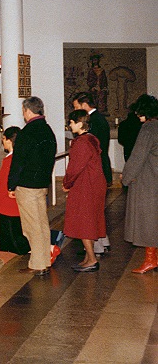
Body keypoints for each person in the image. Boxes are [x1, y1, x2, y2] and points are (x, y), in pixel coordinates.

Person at [8, 96, 57, 276]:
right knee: (42, 223)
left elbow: (18, 162)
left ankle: (37, 264)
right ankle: (45, 259)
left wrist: (11, 185)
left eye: (23, 111)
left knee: (31, 226)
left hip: (27, 184)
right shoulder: (47, 130)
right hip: (42, 183)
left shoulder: (26, 133)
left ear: (28, 111)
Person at [63, 110, 107, 272]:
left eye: (72, 122)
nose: (70, 125)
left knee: (84, 223)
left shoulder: (82, 143)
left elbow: (75, 167)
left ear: (80, 124)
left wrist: (67, 183)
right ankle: (88, 257)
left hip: (85, 186)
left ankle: (92, 259)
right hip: (93, 184)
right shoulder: (91, 139)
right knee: (88, 220)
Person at [121, 94, 158, 274]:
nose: (137, 115)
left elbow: (137, 157)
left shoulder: (148, 129)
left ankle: (151, 260)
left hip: (148, 182)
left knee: (148, 221)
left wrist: (126, 177)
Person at [73, 91, 112, 255]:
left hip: (93, 172)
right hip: (100, 169)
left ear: (84, 105)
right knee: (97, 209)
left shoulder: (92, 122)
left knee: (90, 210)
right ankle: (102, 241)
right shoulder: (100, 119)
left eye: (76, 108)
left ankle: (95, 246)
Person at [0, 126, 30, 255]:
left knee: (13, 243)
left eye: (3, 138)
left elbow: (4, 186)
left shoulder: (9, 160)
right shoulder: (22, 157)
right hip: (18, 203)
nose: (3, 141)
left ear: (8, 140)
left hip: (7, 206)